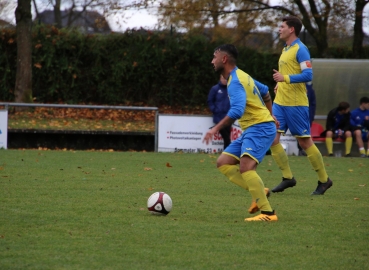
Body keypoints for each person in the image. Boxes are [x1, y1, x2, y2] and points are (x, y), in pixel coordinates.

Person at [203, 44, 278, 222]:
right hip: (253, 128)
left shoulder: (235, 81)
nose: (212, 61)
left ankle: (268, 214)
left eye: (214, 57)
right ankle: (261, 191)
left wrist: (215, 128)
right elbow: (266, 91)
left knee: (246, 167)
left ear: (224, 59)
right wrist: (271, 114)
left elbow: (237, 110)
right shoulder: (241, 75)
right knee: (223, 162)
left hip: (259, 127)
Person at [270, 16, 332, 195]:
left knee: (305, 142)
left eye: (282, 26)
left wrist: (285, 79)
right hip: (280, 103)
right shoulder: (286, 48)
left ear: (291, 30)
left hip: (296, 104)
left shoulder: (301, 49)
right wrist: (279, 83)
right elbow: (286, 72)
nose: (279, 29)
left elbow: (308, 75)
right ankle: (288, 177)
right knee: (272, 138)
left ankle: (324, 180)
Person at [207, 74, 231, 149]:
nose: (225, 80)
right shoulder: (215, 89)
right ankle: (229, 152)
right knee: (226, 136)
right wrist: (214, 110)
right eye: (223, 78)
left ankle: (226, 153)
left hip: (228, 117)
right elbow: (210, 101)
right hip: (218, 117)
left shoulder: (231, 89)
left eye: (226, 79)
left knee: (227, 136)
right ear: (220, 78)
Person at [297, 82, 316, 156]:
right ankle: (300, 149)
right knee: (298, 132)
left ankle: (307, 150)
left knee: (306, 132)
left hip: (307, 115)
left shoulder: (310, 89)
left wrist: (311, 116)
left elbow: (313, 104)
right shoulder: (295, 86)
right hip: (298, 113)